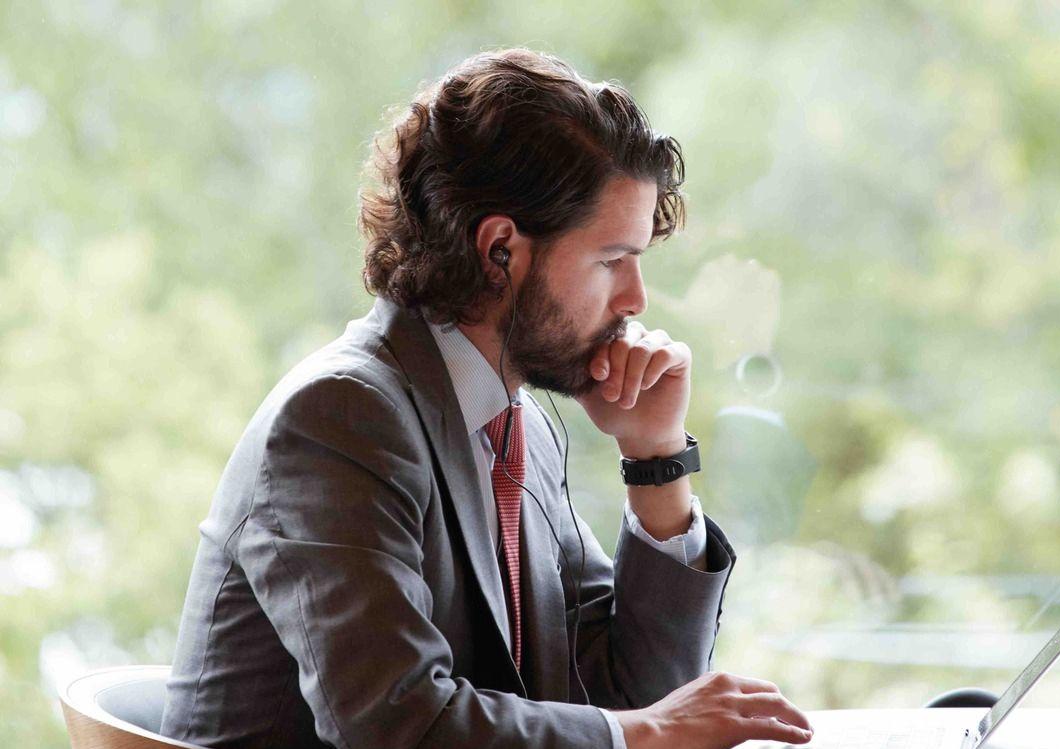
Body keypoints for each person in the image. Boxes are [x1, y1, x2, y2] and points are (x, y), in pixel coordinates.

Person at [161, 47, 814, 749]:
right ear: (500, 248)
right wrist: (650, 730)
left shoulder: (517, 425)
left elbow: (635, 698)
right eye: (611, 260)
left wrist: (655, 458)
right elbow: (399, 726)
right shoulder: (340, 416)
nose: (636, 299)